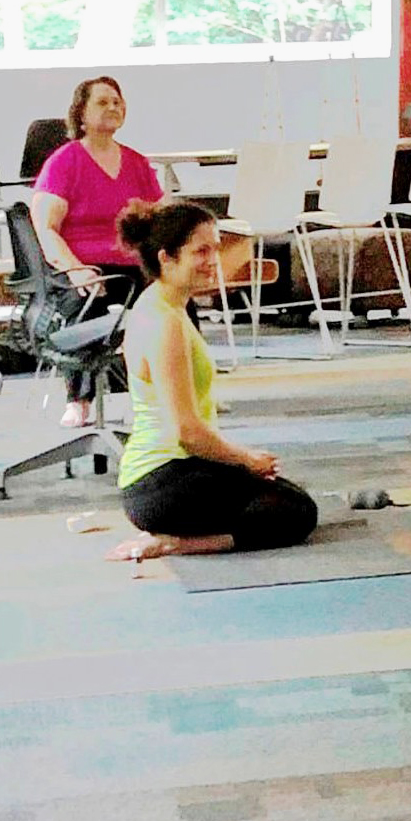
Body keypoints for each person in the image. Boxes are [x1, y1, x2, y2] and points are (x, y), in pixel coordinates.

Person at [108, 201, 318, 562]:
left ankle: (181, 534)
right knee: (298, 513)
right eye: (201, 251)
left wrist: (243, 463)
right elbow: (187, 433)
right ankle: (177, 543)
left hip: (164, 476)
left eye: (214, 249)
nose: (213, 260)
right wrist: (245, 459)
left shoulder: (165, 306)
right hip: (162, 481)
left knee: (285, 495)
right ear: (166, 258)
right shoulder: (164, 323)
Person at [31, 75, 164, 427]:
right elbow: (45, 228)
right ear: (81, 113)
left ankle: (176, 392)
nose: (113, 107)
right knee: (86, 300)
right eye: (103, 102)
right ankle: (79, 399)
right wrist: (76, 269)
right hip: (82, 264)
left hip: (133, 265)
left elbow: (158, 218)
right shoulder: (65, 162)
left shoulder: (136, 162)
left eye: (117, 101)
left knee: (173, 301)